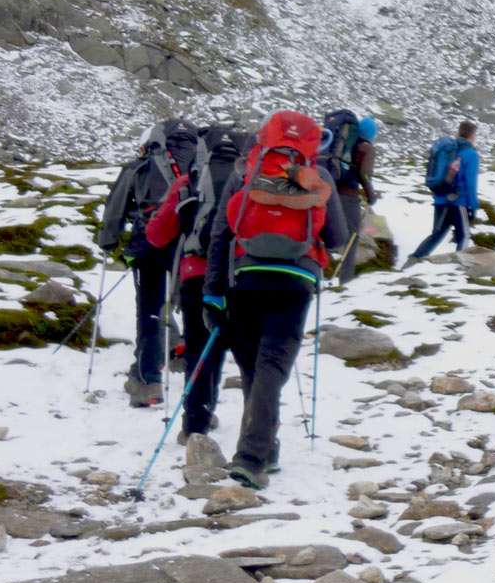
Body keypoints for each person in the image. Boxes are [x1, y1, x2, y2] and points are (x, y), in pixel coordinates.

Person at [204, 110, 349, 489]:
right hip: (297, 277)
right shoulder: (319, 175)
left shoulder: (245, 171)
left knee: (254, 364)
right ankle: (255, 455)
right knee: (272, 365)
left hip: (246, 275)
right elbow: (336, 236)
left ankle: (258, 451)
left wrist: (212, 291)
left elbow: (221, 234)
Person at [143, 123, 246, 440]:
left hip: (195, 274)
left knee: (200, 347)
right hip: (240, 276)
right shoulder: (252, 183)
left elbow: (156, 235)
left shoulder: (189, 183)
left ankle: (195, 424)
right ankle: (257, 432)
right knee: (240, 351)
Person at [96, 118, 200, 407]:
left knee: (150, 310)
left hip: (149, 244)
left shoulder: (138, 167)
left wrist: (108, 239)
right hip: (191, 245)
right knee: (191, 305)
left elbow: (115, 207)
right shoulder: (200, 165)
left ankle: (146, 381)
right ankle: (192, 370)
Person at [405, 121, 480, 266]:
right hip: (459, 202)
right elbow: (470, 183)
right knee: (464, 236)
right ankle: (460, 267)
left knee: (436, 235)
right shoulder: (470, 154)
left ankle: (412, 262)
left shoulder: (449, 150)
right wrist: (473, 205)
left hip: (441, 200)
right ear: (472, 135)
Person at [335, 116, 380, 285]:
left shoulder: (345, 144)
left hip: (332, 190)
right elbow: (364, 175)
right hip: (348, 196)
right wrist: (371, 195)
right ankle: (345, 281)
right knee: (352, 238)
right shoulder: (366, 148)